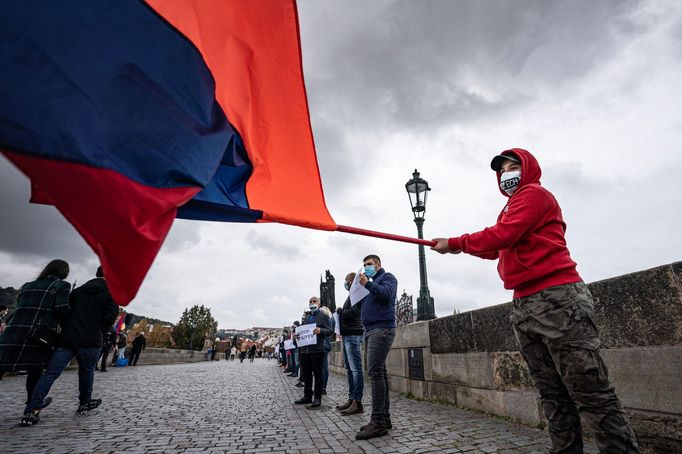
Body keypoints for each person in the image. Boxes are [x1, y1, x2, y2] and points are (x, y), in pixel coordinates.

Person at [431, 148, 640, 453]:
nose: (507, 175)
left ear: (528, 169)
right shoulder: (510, 208)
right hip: (524, 304)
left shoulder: (535, 195)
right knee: (552, 395)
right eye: (501, 171)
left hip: (558, 300)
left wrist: (457, 243)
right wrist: (451, 245)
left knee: (592, 393)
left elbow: (503, 235)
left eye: (513, 167)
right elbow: (494, 247)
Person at [22, 265, 118, 425]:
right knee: (86, 373)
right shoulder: (112, 294)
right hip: (91, 340)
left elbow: (64, 312)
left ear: (96, 274)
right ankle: (84, 402)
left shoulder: (77, 291)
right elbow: (109, 319)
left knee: (51, 373)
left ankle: (32, 409)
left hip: (68, 338)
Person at [0, 260, 71, 410]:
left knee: (2, 364)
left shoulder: (27, 286)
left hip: (14, 331)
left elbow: (20, 308)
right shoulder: (61, 285)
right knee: (35, 370)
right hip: (37, 333)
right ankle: (31, 405)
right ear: (64, 272)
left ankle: (32, 404)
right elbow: (61, 309)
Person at [355, 255, 397, 440]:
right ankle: (384, 418)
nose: (366, 268)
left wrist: (367, 285)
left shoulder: (388, 278)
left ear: (378, 264)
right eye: (364, 265)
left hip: (382, 329)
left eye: (369, 264)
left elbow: (386, 295)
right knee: (379, 372)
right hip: (371, 330)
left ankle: (378, 421)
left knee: (375, 373)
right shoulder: (369, 285)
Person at [294, 297, 333, 409]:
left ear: (319, 303)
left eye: (314, 301)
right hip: (305, 350)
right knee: (306, 374)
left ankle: (317, 397)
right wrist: (297, 336)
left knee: (318, 374)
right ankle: (307, 396)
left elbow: (329, 330)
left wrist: (320, 331)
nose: (312, 303)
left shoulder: (324, 316)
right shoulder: (306, 318)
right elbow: (303, 332)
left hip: (317, 349)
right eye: (310, 302)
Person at [336, 272, 364, 416]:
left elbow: (353, 313)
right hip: (348, 334)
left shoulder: (358, 294)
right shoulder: (352, 294)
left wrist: (340, 311)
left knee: (355, 369)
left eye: (347, 281)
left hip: (354, 334)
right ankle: (351, 398)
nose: (345, 283)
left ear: (353, 281)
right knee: (349, 369)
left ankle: (357, 402)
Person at [320, 305, 334, 395]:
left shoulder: (324, 319)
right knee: (323, 367)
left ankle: (322, 387)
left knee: (322, 367)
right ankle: (322, 387)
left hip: (323, 345)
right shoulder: (332, 319)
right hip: (327, 344)